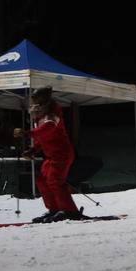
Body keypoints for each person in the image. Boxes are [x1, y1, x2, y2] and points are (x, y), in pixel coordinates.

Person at [12, 87, 81, 222]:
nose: (33, 101)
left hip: (62, 154)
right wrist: (32, 150)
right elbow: (42, 139)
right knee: (41, 179)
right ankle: (54, 209)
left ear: (43, 98)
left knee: (55, 181)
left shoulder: (53, 111)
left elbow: (47, 129)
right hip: (51, 156)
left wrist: (26, 133)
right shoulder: (41, 116)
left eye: (35, 97)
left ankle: (69, 211)